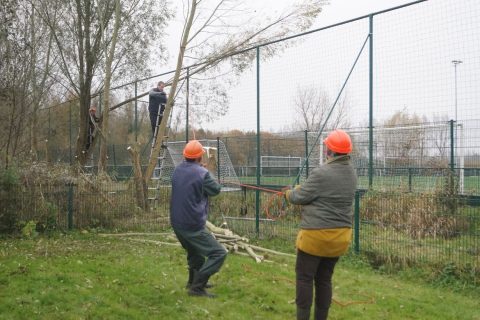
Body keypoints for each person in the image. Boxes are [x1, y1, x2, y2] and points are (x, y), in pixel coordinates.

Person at [284, 129, 357, 320]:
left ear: (329, 151)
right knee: (324, 280)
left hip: (315, 238)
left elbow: (299, 197)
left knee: (304, 278)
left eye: (326, 147)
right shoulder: (352, 174)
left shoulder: (322, 172)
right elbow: (320, 194)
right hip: (340, 238)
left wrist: (288, 193)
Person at [170, 140, 227, 298]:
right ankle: (197, 287)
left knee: (195, 253)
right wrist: (206, 172)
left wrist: (199, 170)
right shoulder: (202, 173)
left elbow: (188, 183)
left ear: (185, 156)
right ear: (200, 157)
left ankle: (192, 282)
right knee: (219, 253)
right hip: (192, 225)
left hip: (177, 223)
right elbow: (216, 189)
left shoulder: (177, 170)